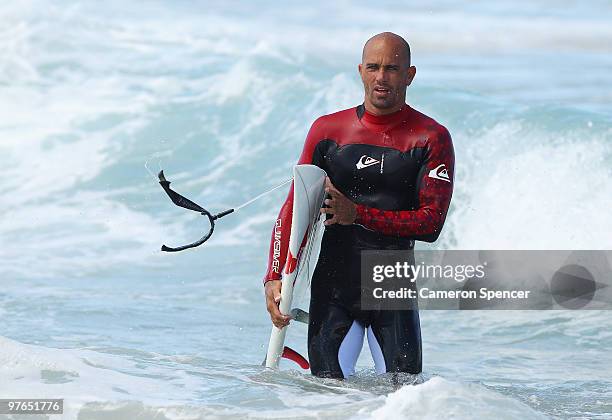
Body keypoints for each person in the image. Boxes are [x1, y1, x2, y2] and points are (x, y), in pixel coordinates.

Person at [263, 32, 454, 379]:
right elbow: (295, 207)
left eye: (392, 69)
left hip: (391, 287)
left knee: (406, 402)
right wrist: (274, 276)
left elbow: (431, 223)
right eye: (374, 67)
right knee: (325, 401)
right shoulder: (328, 131)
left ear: (409, 75)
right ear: (361, 71)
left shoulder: (430, 137)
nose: (382, 77)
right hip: (335, 286)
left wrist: (359, 214)